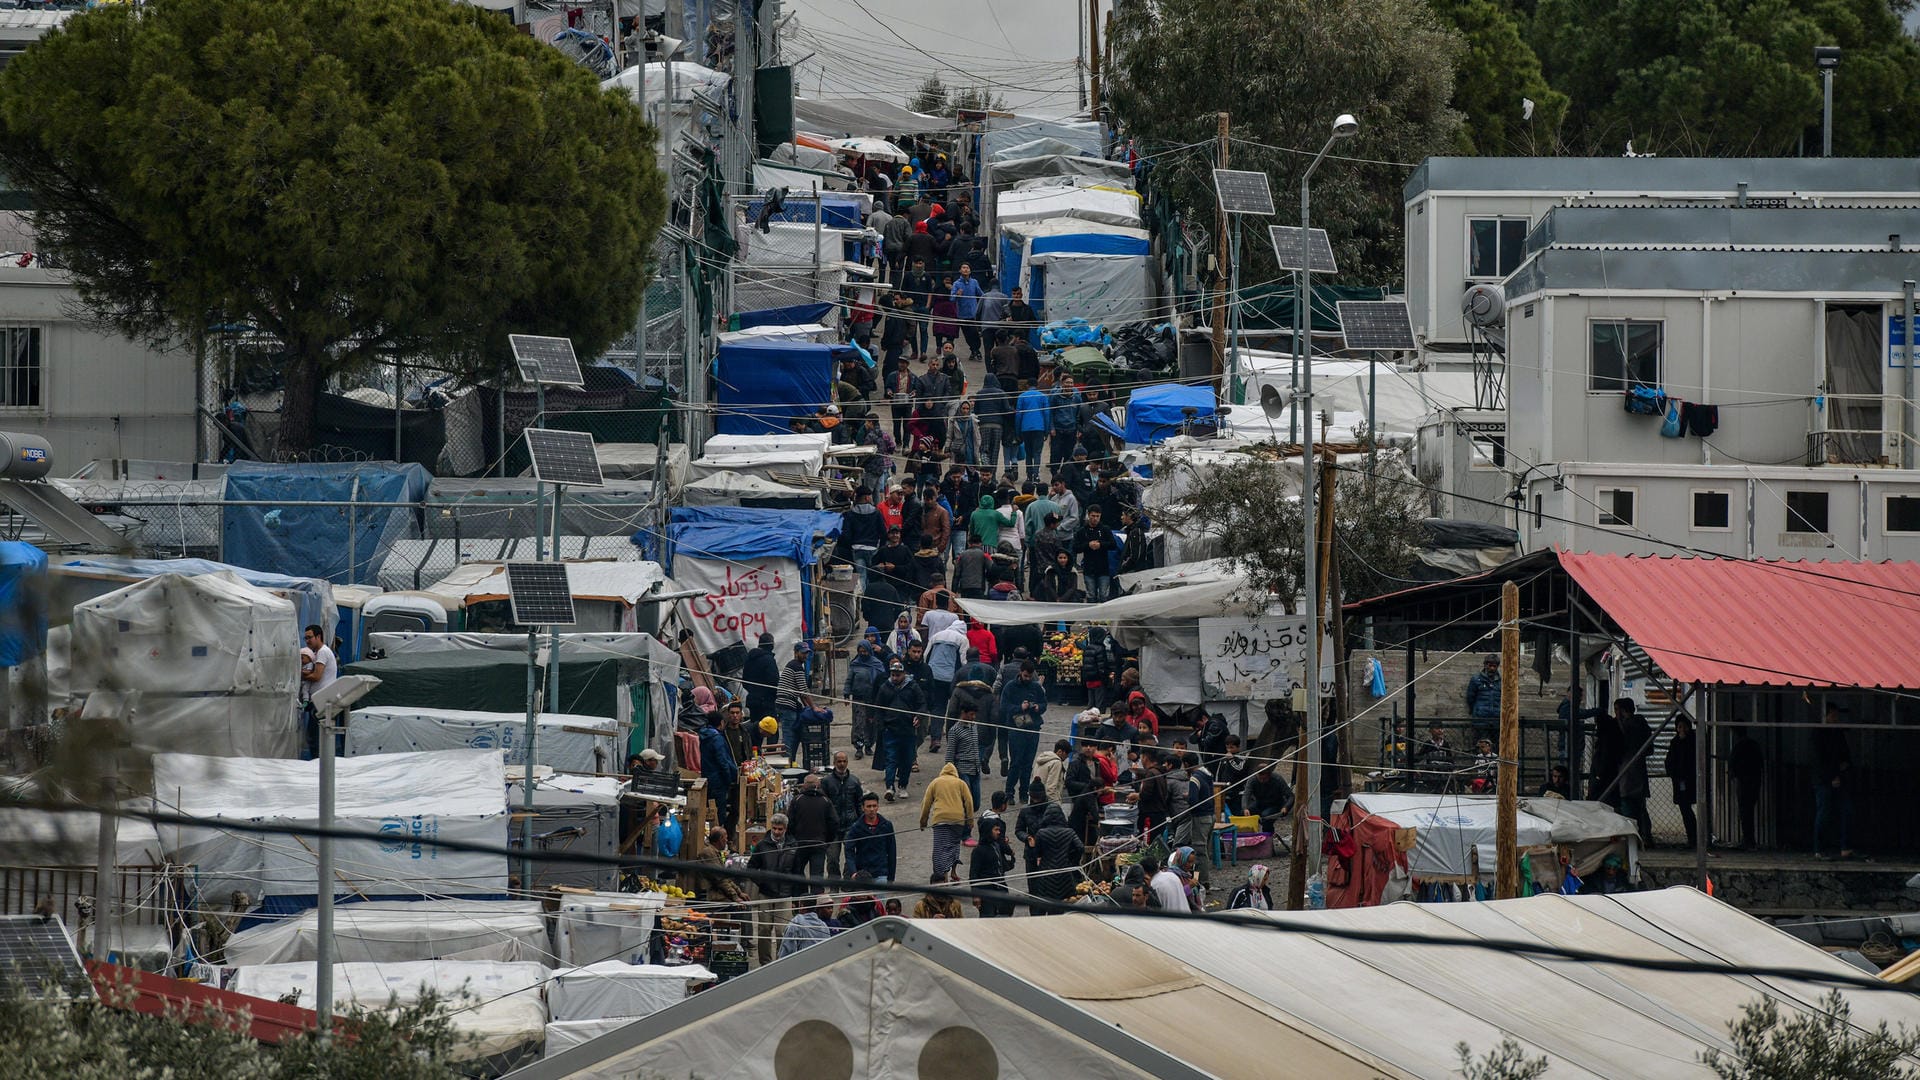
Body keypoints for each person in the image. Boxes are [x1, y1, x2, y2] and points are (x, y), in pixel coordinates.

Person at [746, 813, 801, 966]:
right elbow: (751, 867)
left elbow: (797, 872)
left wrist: (796, 897)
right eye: (775, 829)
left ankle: (781, 962)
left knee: (782, 930)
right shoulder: (762, 845)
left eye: (780, 829)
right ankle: (765, 963)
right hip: (766, 893)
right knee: (764, 929)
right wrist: (761, 881)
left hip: (785, 894)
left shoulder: (793, 845)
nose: (777, 832)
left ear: (785, 829)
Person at [874, 660, 924, 800]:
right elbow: (879, 708)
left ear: (904, 674)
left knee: (907, 760)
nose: (895, 678)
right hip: (890, 730)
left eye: (898, 675)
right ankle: (890, 787)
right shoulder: (885, 688)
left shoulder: (913, 687)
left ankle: (903, 785)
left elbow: (921, 705)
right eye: (893, 674)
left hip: (908, 730)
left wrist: (918, 717)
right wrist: (882, 726)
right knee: (891, 760)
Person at [1000, 661, 1049, 802]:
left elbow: (1044, 703)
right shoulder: (1010, 687)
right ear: (1021, 672)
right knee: (1016, 762)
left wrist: (1038, 707)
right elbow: (1004, 707)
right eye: (1025, 675)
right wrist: (1019, 707)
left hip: (1032, 728)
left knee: (1028, 763)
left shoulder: (1036, 687)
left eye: (1029, 676)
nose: (1027, 678)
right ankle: (1009, 793)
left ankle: (1023, 792)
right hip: (1016, 728)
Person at [919, 761, 976, 883]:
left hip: (940, 821)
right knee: (954, 846)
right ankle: (953, 872)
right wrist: (970, 820)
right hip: (958, 821)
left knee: (940, 850)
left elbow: (926, 803)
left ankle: (942, 877)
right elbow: (969, 802)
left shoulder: (935, 782)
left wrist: (923, 822)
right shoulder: (960, 783)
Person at [1813, 703, 1854, 859]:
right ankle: (1819, 849)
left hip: (1839, 778)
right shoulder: (1818, 733)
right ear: (1826, 716)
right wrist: (1832, 776)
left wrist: (1841, 770)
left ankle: (1845, 846)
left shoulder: (1837, 733)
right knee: (1823, 813)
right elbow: (1818, 759)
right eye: (1834, 715)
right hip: (1823, 780)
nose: (1836, 718)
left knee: (1847, 811)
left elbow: (1846, 756)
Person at [1612, 699, 1655, 843]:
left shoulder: (1630, 725)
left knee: (1629, 804)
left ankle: (1633, 836)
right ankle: (1644, 835)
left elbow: (1624, 739)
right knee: (1639, 805)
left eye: (1618, 710)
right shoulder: (1640, 724)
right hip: (1635, 769)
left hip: (1629, 769)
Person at [1029, 804, 1084, 913]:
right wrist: (1072, 860)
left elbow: (1036, 852)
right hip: (1064, 872)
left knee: (1045, 902)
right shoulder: (1069, 832)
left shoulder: (1041, 833)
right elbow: (1080, 847)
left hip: (1046, 872)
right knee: (1062, 905)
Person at [786, 773, 836, 889]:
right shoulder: (825, 801)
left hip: (800, 844)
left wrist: (793, 839)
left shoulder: (797, 800)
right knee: (817, 876)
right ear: (818, 785)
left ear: (804, 786)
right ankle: (817, 902)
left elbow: (790, 822)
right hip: (819, 844)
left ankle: (802, 900)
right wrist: (826, 840)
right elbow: (834, 823)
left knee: (798, 874)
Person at [820, 752, 866, 876]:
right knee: (832, 859)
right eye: (839, 761)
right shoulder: (826, 781)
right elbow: (823, 804)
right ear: (834, 763)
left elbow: (859, 803)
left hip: (851, 826)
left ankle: (847, 883)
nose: (842, 764)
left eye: (844, 761)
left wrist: (861, 822)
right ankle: (834, 884)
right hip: (833, 828)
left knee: (850, 857)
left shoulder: (854, 781)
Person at [944, 701, 984, 833]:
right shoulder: (954, 731)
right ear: (963, 713)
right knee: (967, 803)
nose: (973, 717)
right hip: (962, 770)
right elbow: (949, 754)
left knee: (976, 803)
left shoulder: (974, 726)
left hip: (975, 769)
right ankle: (965, 833)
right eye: (971, 714)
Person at [843, 792, 897, 883]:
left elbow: (892, 851)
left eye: (874, 806)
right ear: (863, 808)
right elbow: (849, 850)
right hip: (863, 874)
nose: (872, 809)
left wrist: (891, 876)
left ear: (878, 807)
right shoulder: (856, 827)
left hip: (881, 872)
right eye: (868, 806)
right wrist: (853, 872)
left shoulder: (886, 825)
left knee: (880, 897)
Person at [845, 641, 886, 760]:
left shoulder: (877, 664)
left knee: (871, 724)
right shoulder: (855, 664)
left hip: (873, 700)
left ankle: (869, 745)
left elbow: (882, 681)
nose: (863, 654)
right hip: (859, 699)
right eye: (860, 651)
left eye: (865, 651)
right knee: (859, 723)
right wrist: (847, 694)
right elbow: (849, 680)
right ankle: (858, 747)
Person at [969, 817, 1018, 917]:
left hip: (1001, 888)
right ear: (988, 831)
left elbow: (1000, 866)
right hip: (986, 892)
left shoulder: (996, 846)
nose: (998, 832)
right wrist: (976, 895)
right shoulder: (978, 851)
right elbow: (973, 874)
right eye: (996, 830)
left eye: (999, 830)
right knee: (988, 919)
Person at [698, 711, 738, 830]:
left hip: (707, 777)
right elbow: (722, 761)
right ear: (721, 723)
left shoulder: (704, 736)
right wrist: (729, 778)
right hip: (719, 780)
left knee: (709, 810)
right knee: (719, 813)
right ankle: (718, 836)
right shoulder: (717, 738)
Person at [1665, 715, 1698, 849]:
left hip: (1690, 780)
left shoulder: (1693, 741)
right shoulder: (1675, 742)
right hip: (1679, 780)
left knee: (1687, 809)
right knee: (1685, 809)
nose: (1682, 729)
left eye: (1684, 726)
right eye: (1679, 727)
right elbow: (1670, 760)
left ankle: (1695, 837)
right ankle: (1693, 837)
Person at [775, 642, 813, 757]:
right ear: (796, 653)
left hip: (787, 704)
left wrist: (808, 706)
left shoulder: (794, 665)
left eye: (807, 653)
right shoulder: (796, 666)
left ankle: (791, 761)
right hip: (786, 705)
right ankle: (787, 764)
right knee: (789, 737)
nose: (805, 656)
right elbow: (803, 691)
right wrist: (814, 707)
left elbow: (800, 693)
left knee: (793, 735)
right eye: (803, 653)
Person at [1729, 729, 1764, 849]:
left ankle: (1748, 839)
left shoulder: (1738, 746)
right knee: (1748, 810)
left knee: (1744, 811)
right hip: (1754, 781)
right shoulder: (1753, 745)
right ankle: (1749, 839)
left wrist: (1734, 775)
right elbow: (1760, 762)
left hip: (1744, 782)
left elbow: (1733, 763)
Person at [1072, 506, 1115, 602]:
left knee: (1104, 595)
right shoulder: (1082, 531)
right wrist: (1088, 545)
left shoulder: (1105, 530)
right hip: (1089, 568)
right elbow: (1075, 548)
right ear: (1088, 515)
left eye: (1097, 516)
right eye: (1093, 516)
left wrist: (1101, 545)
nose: (1095, 518)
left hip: (1103, 568)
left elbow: (1113, 545)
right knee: (1091, 595)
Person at [742, 633, 780, 738]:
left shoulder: (749, 659)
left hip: (753, 700)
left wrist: (754, 691)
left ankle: (756, 751)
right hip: (766, 702)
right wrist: (772, 695)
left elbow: (744, 681)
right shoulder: (768, 660)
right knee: (772, 729)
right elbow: (774, 681)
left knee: (756, 730)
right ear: (771, 645)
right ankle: (771, 753)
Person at [1015, 380, 1050, 481]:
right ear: (1037, 385)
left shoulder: (1022, 396)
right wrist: (1046, 430)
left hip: (1025, 428)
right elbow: (1046, 414)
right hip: (1039, 427)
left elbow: (1018, 414)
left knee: (1028, 452)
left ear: (1027, 386)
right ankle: (1036, 475)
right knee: (1037, 452)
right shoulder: (1043, 396)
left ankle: (1029, 476)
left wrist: (1018, 431)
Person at [1249, 764, 1293, 834]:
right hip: (1259, 802)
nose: (1262, 781)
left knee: (1266, 817)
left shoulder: (1278, 779)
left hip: (1275, 804)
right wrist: (1245, 808)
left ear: (1269, 776)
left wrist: (1286, 807)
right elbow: (1246, 795)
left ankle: (1268, 837)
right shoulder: (1253, 779)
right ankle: (1251, 836)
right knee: (1246, 812)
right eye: (1260, 778)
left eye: (1264, 779)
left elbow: (1291, 796)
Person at [951, 262, 984, 358]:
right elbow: (952, 298)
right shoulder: (956, 284)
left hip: (973, 314)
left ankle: (976, 350)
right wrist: (957, 294)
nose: (965, 269)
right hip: (962, 314)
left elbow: (981, 294)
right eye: (963, 268)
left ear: (970, 270)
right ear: (960, 270)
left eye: (967, 268)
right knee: (967, 335)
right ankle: (974, 350)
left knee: (975, 333)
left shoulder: (974, 282)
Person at [1465, 654, 1501, 737]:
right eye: (1490, 665)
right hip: (1480, 719)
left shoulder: (1501, 681)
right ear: (1485, 665)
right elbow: (1470, 697)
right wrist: (1476, 711)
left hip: (1497, 720)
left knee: (1496, 746)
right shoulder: (1476, 679)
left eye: (1494, 666)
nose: (1492, 668)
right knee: (1481, 743)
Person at [1032, 739, 1070, 806]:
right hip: (1047, 803)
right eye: (1066, 754)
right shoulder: (1057, 763)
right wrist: (1056, 806)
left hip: (1035, 800)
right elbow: (1051, 788)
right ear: (1060, 751)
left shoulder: (1042, 758)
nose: (1067, 757)